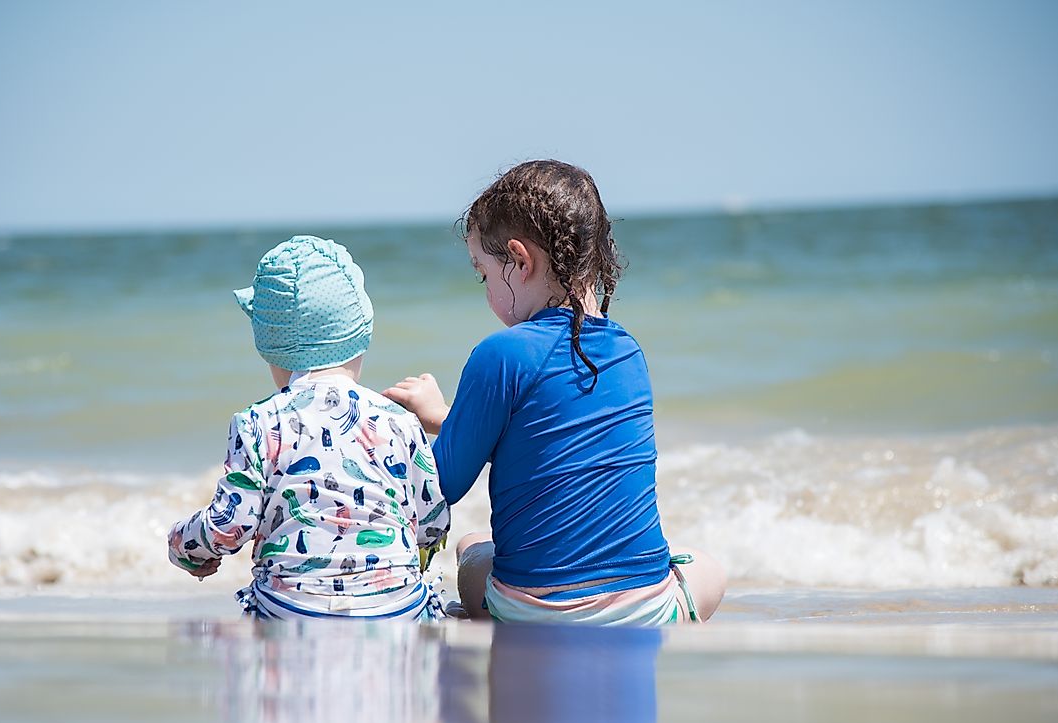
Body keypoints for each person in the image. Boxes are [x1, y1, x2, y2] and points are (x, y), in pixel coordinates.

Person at [385, 160, 725, 625]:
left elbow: (440, 486)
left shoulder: (501, 354)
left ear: (520, 261)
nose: (485, 291)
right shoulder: (628, 351)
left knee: (471, 549)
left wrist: (413, 425)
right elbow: (552, 441)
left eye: (484, 273)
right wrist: (449, 415)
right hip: (643, 613)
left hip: (534, 614)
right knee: (706, 567)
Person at [168, 235, 451, 620]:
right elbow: (432, 523)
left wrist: (182, 546)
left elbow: (228, 525)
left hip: (293, 611)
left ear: (269, 347)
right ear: (361, 331)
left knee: (225, 637)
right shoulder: (400, 420)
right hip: (394, 611)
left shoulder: (257, 423)